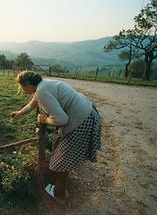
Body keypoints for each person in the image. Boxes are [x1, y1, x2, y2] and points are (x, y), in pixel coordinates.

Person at [10, 71, 101, 203]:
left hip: (81, 121)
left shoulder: (41, 91)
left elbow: (62, 119)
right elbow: (33, 104)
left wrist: (45, 119)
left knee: (60, 161)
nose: (22, 90)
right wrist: (19, 113)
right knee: (63, 156)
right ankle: (62, 185)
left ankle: (59, 194)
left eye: (22, 87)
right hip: (88, 112)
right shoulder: (43, 84)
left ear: (28, 85)